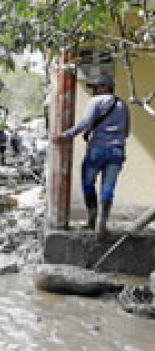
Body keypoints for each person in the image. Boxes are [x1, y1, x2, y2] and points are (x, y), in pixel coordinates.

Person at [58, 74, 130, 240]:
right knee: (108, 188)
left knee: (87, 182)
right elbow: (126, 132)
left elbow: (86, 123)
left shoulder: (95, 102)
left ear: (105, 87)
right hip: (117, 151)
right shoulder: (123, 105)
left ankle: (92, 220)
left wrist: (67, 135)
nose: (94, 91)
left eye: (97, 87)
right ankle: (101, 226)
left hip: (97, 149)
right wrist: (121, 150)